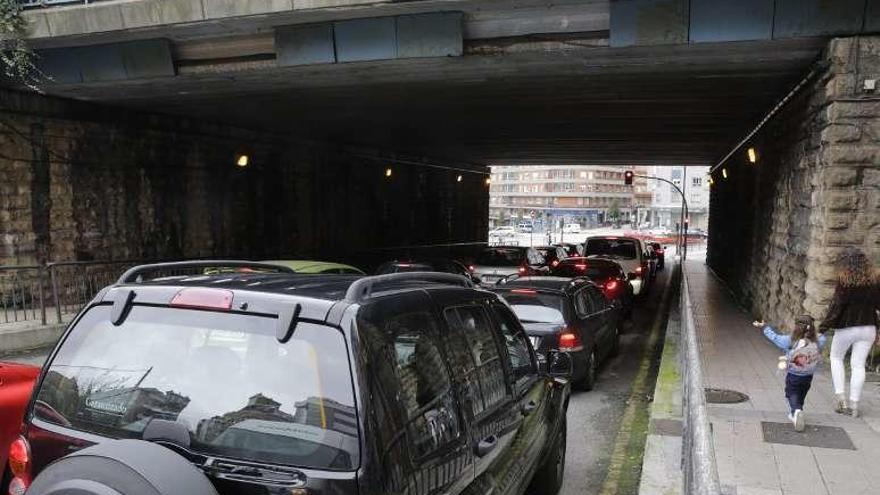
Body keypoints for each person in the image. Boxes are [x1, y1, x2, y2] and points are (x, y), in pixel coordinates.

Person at [819, 248, 880, 418]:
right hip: (868, 327)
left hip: (847, 327)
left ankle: (841, 399)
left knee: (836, 358)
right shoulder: (875, 280)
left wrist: (823, 328)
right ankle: (854, 404)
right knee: (858, 365)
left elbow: (836, 308)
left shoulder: (844, 282)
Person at [753, 315, 826, 432]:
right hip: (808, 375)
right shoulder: (819, 340)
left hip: (793, 374)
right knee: (801, 393)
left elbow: (775, 338)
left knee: (790, 394)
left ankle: (796, 411)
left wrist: (765, 327)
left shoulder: (791, 340)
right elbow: (822, 339)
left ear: (796, 327)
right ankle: (798, 411)